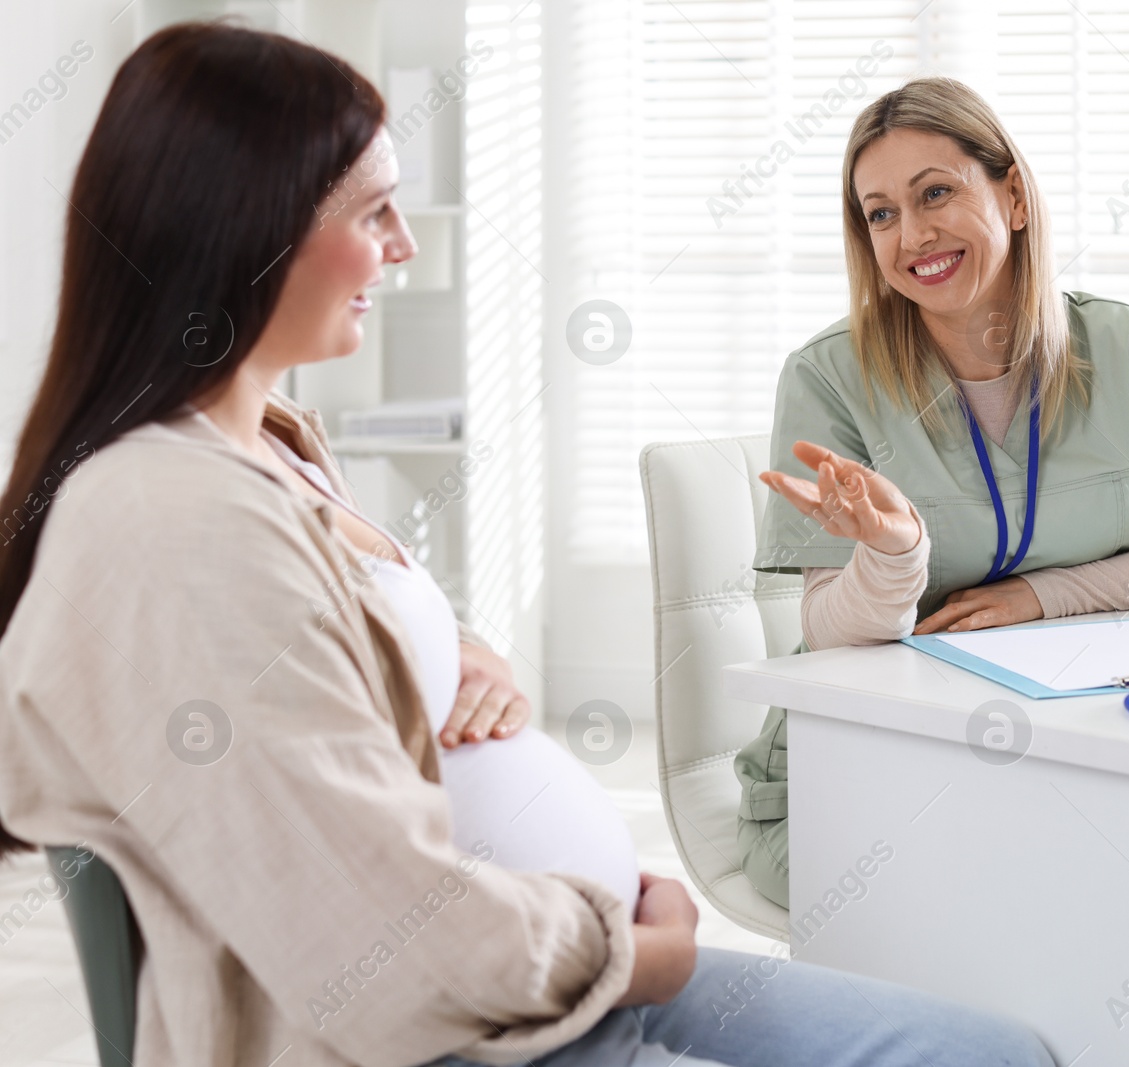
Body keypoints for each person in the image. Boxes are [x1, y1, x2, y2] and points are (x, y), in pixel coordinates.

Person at [0, 25, 1055, 1067]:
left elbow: (359, 634)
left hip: (549, 972)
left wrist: (464, 654)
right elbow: (383, 948)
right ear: (245, 227)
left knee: (998, 1050)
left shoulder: (274, 441)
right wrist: (635, 952)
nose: (405, 244)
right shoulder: (168, 527)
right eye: (374, 212)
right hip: (463, 1023)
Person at [734, 77, 1129, 909]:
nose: (912, 235)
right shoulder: (828, 375)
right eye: (880, 213)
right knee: (1028, 895)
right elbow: (829, 633)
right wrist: (894, 556)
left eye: (935, 192)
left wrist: (1041, 597)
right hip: (859, 771)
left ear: (1012, 195)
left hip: (1072, 751)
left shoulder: (1120, 344)